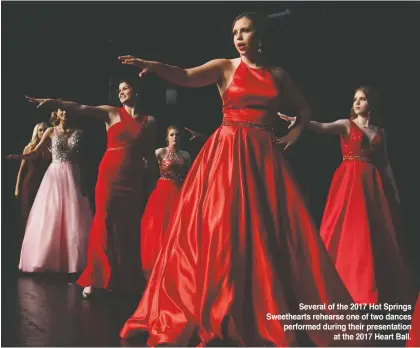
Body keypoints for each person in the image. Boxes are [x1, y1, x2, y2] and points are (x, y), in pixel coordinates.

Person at [118, 12, 361, 347]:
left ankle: (267, 307)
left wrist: (295, 133)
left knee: (275, 233)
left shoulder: (278, 74)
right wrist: (155, 66)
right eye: (235, 32)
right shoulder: (225, 67)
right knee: (223, 228)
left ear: (259, 35)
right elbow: (187, 76)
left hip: (265, 160)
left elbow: (304, 109)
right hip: (229, 155)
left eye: (245, 31)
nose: (239, 37)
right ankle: (223, 305)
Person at [278, 86, 416, 305]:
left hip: (373, 186)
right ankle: (339, 286)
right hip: (350, 183)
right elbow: (323, 127)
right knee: (349, 230)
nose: (357, 103)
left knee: (374, 233)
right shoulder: (346, 125)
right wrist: (301, 122)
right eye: (355, 99)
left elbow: (385, 163)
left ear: (372, 104)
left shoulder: (380, 132)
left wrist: (394, 190)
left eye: (362, 99)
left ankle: (371, 288)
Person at [23, 77, 159, 297]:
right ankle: (96, 278)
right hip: (109, 175)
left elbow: (149, 155)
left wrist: (153, 182)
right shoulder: (111, 113)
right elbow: (81, 107)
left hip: (133, 177)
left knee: (128, 225)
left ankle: (125, 279)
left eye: (126, 88)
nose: (121, 92)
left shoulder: (149, 121)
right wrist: (55, 102)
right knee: (103, 221)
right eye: (119, 89)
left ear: (137, 90)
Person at [7, 109, 92, 273]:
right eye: (61, 110)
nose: (65, 112)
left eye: (67, 109)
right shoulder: (50, 131)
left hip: (73, 174)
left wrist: (84, 182)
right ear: (57, 113)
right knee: (51, 215)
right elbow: (36, 152)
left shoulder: (79, 132)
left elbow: (82, 159)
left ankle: (72, 262)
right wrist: (20, 157)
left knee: (73, 216)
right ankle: (46, 259)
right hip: (55, 175)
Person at [141, 125, 191, 280]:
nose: (175, 137)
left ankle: (174, 262)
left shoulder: (186, 155)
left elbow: (189, 175)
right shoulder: (160, 152)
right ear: (167, 137)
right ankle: (158, 262)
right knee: (159, 226)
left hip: (179, 191)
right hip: (162, 191)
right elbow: (146, 166)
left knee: (177, 226)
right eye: (171, 135)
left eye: (177, 135)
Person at [14, 122, 51, 225]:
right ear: (36, 132)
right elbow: (21, 169)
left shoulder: (50, 148)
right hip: (29, 182)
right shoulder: (29, 148)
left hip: (44, 183)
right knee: (27, 213)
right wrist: (17, 187)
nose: (43, 132)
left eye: (45, 129)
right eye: (40, 130)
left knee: (42, 213)